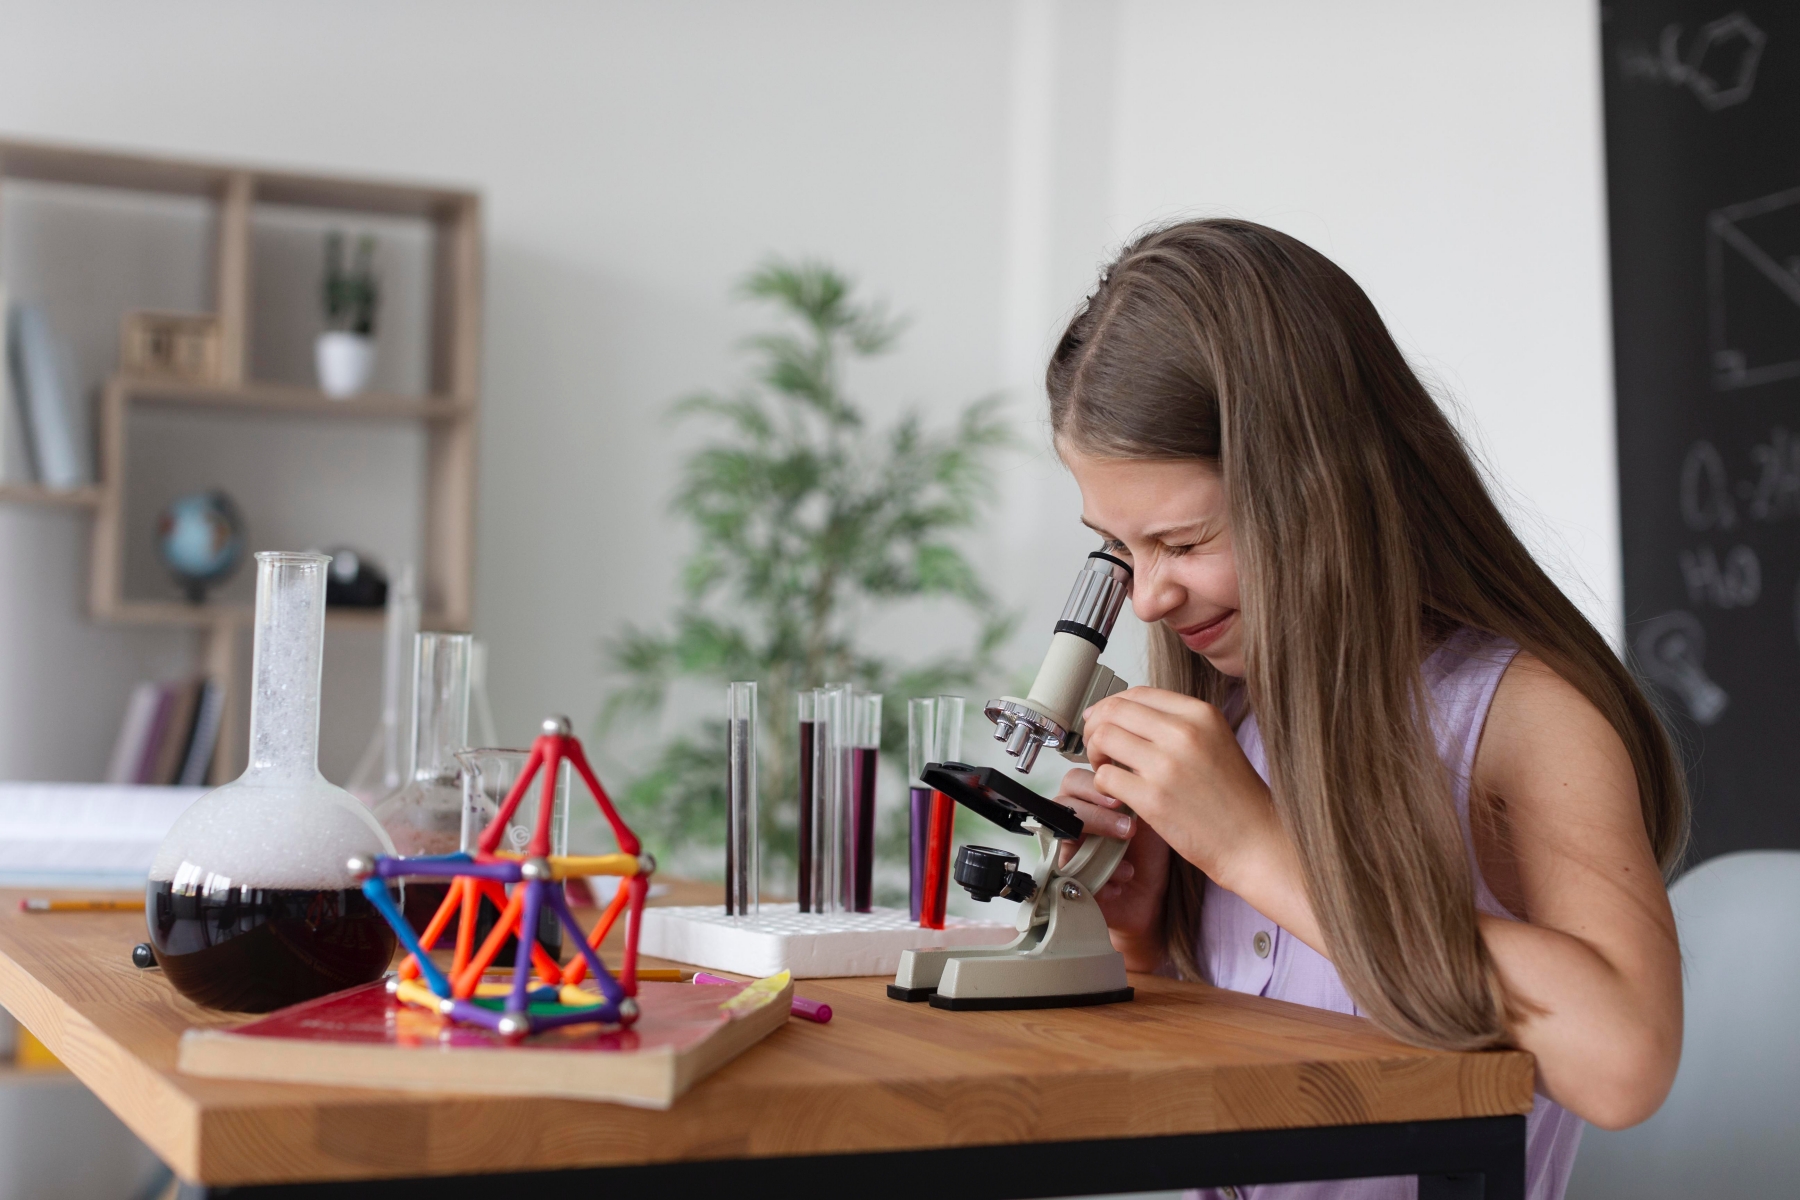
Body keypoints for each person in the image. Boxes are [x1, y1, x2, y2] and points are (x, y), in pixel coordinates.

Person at [1047, 220, 1684, 1200]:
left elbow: (1625, 1062)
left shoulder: (1518, 715)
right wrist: (1139, 940)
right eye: (1120, 549)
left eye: (1185, 540)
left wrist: (1257, 850)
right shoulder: (1238, 711)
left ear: (1321, 488)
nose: (1148, 599)